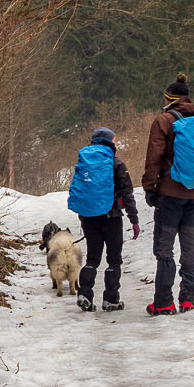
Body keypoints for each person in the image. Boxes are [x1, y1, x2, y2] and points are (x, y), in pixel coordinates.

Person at [141, 73, 194, 315]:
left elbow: (154, 159)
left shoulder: (163, 121)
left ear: (168, 99)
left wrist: (149, 187)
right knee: (189, 244)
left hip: (170, 194)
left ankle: (163, 302)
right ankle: (187, 298)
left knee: (164, 248)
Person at [65, 126, 140, 312]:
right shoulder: (116, 163)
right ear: (108, 141)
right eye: (115, 140)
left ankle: (85, 294)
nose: (116, 143)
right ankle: (111, 300)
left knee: (92, 258)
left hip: (89, 218)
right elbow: (127, 193)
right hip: (111, 217)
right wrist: (134, 219)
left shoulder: (85, 161)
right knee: (114, 259)